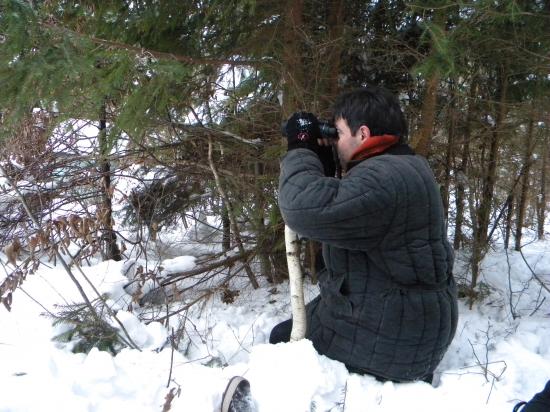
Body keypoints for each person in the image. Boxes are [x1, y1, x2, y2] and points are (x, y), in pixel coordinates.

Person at [272, 85, 458, 383]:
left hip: (394, 338)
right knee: (290, 330)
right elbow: (350, 217)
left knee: (281, 341)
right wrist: (327, 166)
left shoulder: (383, 178)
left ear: (363, 135)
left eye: (339, 134)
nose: (335, 141)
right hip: (406, 320)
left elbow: (301, 207)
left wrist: (302, 149)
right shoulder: (405, 166)